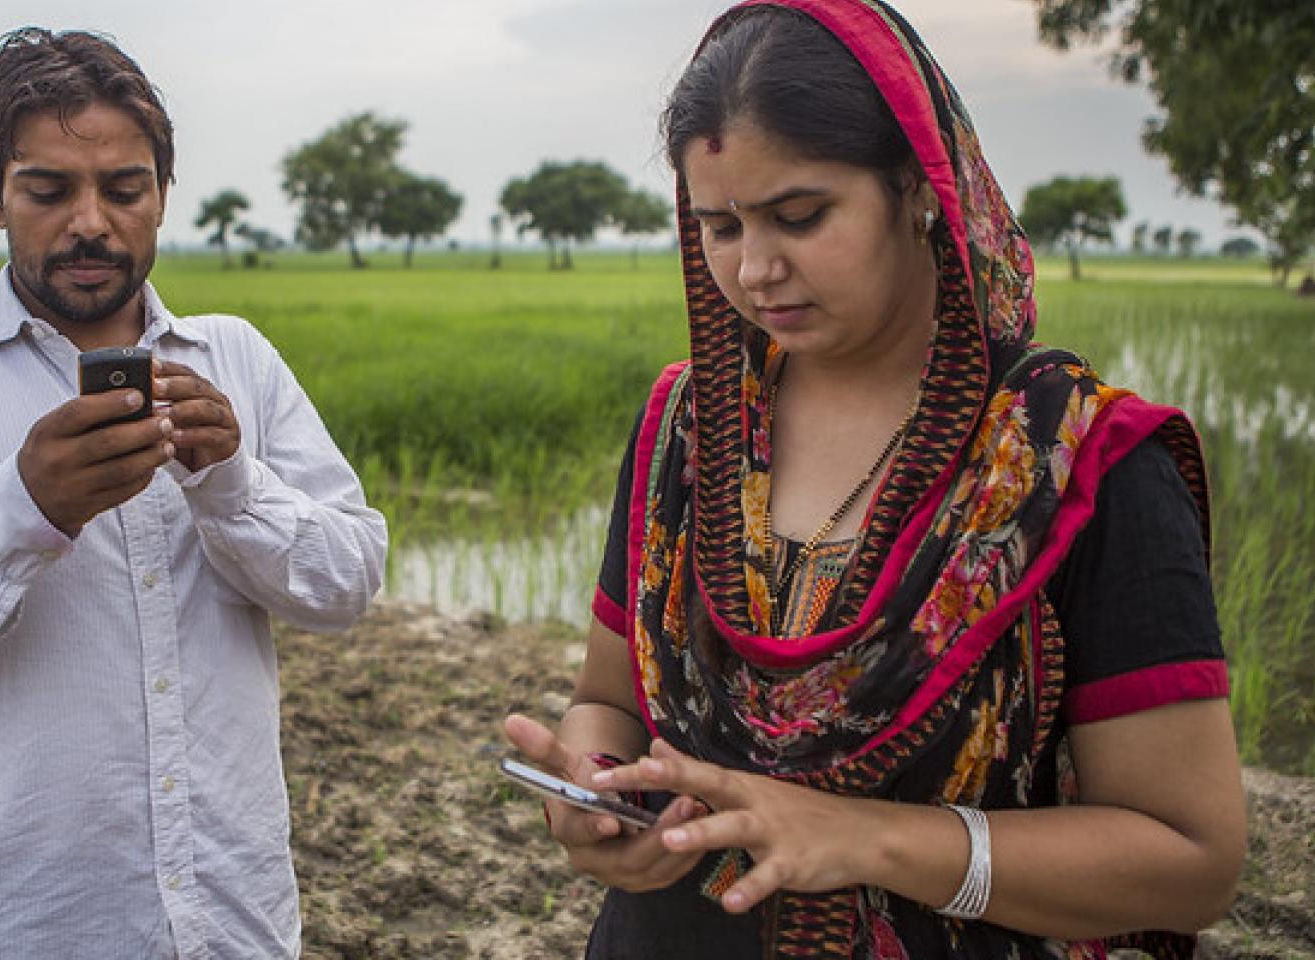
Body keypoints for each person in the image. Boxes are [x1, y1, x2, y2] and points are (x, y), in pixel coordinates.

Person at [502, 1, 1246, 956]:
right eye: (719, 226)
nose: (757, 269)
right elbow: (609, 698)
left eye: (800, 216)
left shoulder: (1081, 464)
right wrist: (600, 793)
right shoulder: (686, 430)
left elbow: (1191, 858)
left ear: (919, 189)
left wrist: (872, 839)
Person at [0, 28, 387, 958]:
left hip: (234, 923)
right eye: (49, 189)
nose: (91, 223)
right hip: (16, 925)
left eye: (124, 189)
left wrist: (230, 484)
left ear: (161, 196)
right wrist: (20, 509)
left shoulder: (237, 360)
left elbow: (349, 582)